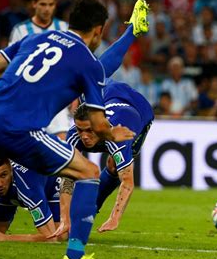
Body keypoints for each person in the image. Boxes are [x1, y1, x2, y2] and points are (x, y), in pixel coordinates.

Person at [0, 0, 150, 259]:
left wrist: (4, 101)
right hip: (21, 129)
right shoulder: (86, 61)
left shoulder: (39, 38)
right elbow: (98, 123)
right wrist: (113, 133)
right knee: (89, 171)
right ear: (98, 31)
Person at [58, 78, 154, 235]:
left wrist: (114, 217)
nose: (84, 137)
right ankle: (79, 217)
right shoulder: (74, 134)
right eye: (80, 130)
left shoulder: (119, 137)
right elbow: (66, 177)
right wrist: (64, 219)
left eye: (89, 130)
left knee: (115, 166)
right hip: (108, 92)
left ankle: (90, 211)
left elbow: (128, 181)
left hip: (139, 108)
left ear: (99, 126)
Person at [9, 0, 72, 140]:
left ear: (55, 5)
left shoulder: (63, 28)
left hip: (56, 98)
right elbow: (11, 67)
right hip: (28, 98)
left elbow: (71, 66)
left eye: (51, 5)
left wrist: (74, 95)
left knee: (63, 143)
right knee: (28, 148)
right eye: (43, 4)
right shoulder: (20, 30)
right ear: (34, 4)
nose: (47, 9)